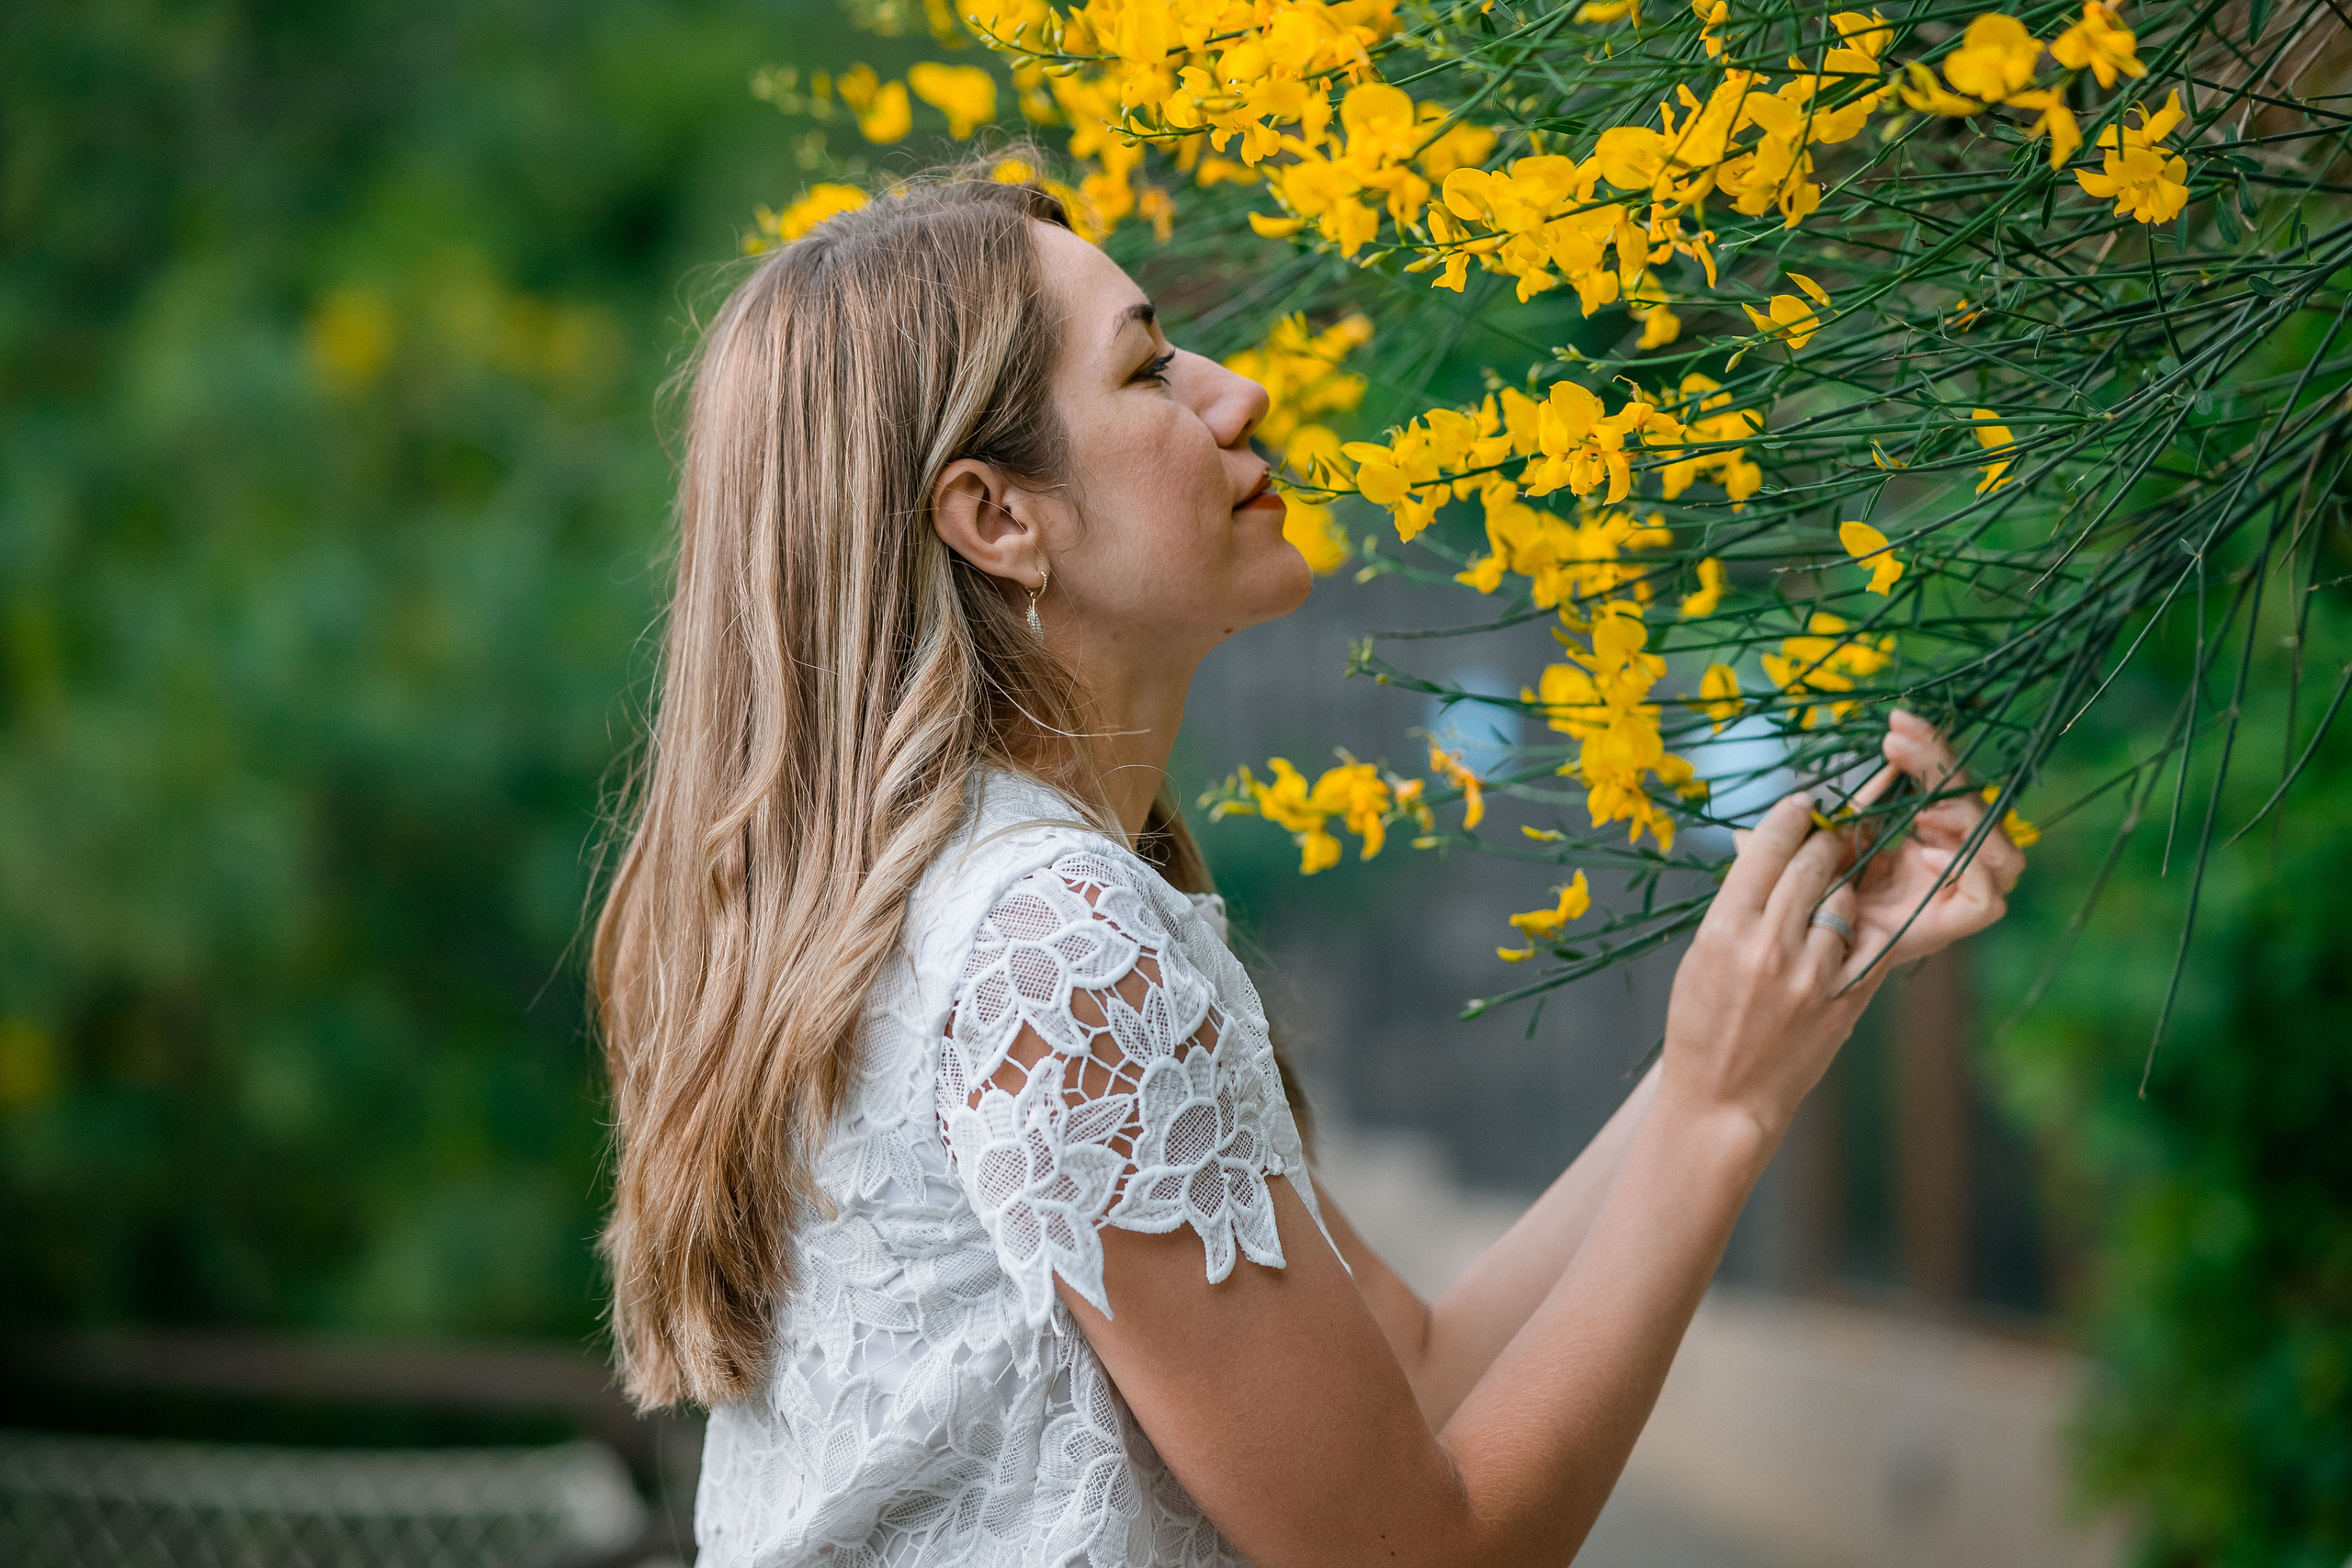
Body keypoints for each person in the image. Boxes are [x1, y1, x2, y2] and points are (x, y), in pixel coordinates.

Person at [591, 167, 2027, 1568]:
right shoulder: (1054, 944)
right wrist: (1721, 1109)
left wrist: (1753, 1026)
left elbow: (1418, 1368)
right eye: (1151, 370)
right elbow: (1420, 1553)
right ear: (998, 517)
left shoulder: (973, 908)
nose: (1238, 392)